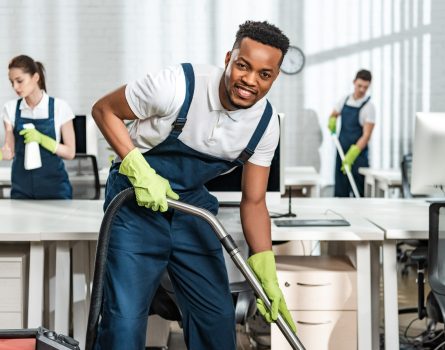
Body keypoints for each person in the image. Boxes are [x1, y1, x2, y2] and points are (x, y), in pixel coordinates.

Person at [91, 20, 296, 350]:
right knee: (124, 322)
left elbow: (254, 202)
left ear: (274, 76)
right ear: (229, 58)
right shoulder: (176, 85)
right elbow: (104, 110)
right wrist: (140, 171)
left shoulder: (265, 124)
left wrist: (265, 265)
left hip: (191, 210)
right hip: (134, 204)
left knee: (216, 318)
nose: (250, 81)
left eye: (264, 74)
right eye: (243, 66)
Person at [1, 55, 76, 199]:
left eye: (19, 81)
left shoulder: (60, 107)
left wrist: (41, 139)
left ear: (35, 77)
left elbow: (70, 152)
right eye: (12, 82)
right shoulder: (10, 109)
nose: (15, 87)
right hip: (21, 189)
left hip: (56, 190)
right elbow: (9, 152)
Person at [328, 69, 375, 197]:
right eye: (359, 86)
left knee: (359, 190)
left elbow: (366, 136)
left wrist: (352, 154)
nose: (362, 89)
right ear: (354, 82)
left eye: (365, 87)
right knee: (340, 190)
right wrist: (332, 120)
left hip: (357, 156)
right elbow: (334, 113)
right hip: (342, 151)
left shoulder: (368, 107)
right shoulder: (344, 100)